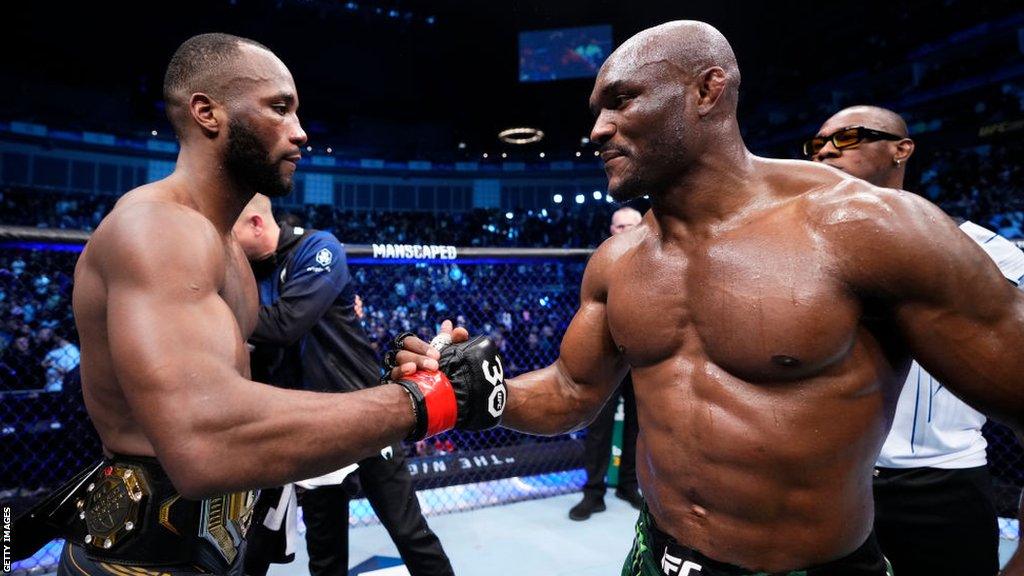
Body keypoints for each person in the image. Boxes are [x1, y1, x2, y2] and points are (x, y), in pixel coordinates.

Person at [395, 21, 1024, 575]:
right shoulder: (619, 258)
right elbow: (571, 393)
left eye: (621, 100)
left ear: (707, 90)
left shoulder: (864, 228)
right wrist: (469, 391)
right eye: (596, 109)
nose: (596, 129)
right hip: (655, 556)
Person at [20, 33, 501, 575]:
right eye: (279, 108)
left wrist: (400, 378)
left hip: (217, 550)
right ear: (207, 113)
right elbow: (203, 439)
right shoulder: (156, 228)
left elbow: (242, 385)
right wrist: (423, 401)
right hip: (138, 564)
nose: (299, 132)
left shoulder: (226, 250)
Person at [806, 105, 1024, 576]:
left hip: (943, 485)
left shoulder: (987, 253)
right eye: (818, 142)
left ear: (901, 149)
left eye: (848, 138)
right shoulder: (798, 257)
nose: (825, 150)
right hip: (829, 484)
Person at [233, 194, 454, 576]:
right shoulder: (248, 273)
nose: (225, 243)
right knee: (325, 552)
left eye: (230, 231)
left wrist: (216, 312)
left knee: (409, 533)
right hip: (310, 422)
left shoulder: (318, 247)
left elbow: (285, 324)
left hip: (364, 407)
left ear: (255, 223)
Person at [569, 206, 643, 521]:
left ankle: (629, 485)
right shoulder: (601, 263)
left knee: (638, 426)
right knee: (598, 427)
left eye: (631, 225)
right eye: (619, 226)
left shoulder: (660, 261)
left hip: (642, 356)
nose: (624, 231)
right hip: (607, 356)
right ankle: (593, 492)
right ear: (611, 230)